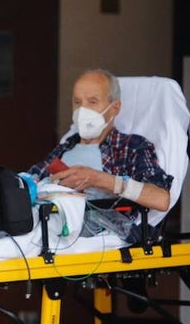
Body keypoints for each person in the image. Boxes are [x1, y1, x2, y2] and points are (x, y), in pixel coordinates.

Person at [26, 68, 173, 216]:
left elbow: (161, 199)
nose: (82, 110)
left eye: (92, 102)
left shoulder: (130, 147)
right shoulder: (65, 147)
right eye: (77, 102)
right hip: (46, 228)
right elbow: (28, 182)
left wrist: (98, 180)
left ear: (115, 108)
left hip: (97, 235)